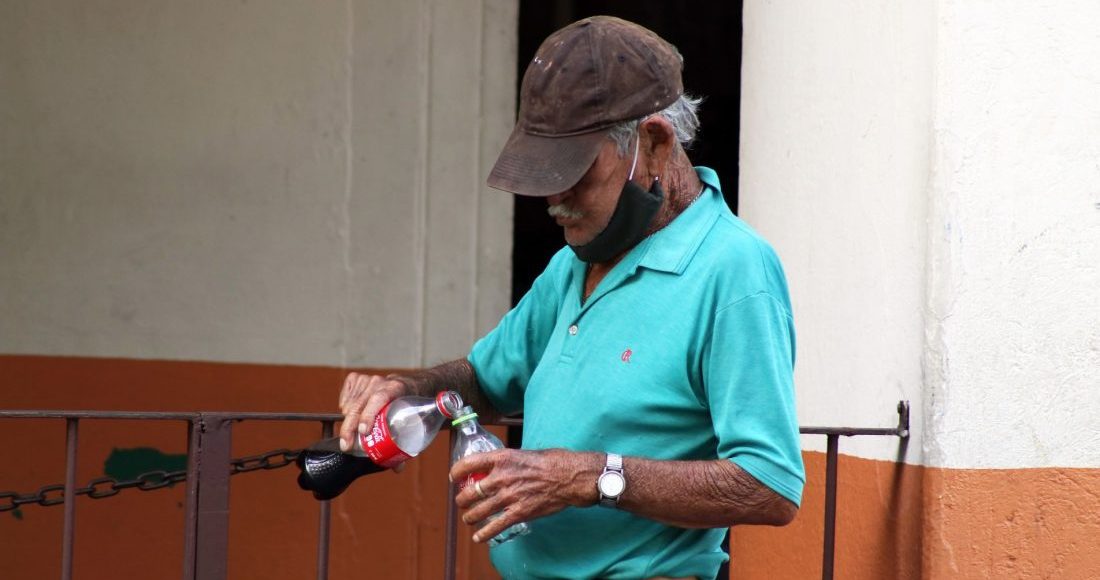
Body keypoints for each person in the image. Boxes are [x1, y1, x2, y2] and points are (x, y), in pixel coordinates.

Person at [338, 16, 803, 579]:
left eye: (576, 174)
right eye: (543, 175)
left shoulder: (734, 270)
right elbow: (484, 382)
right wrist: (407, 390)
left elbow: (769, 485)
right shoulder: (575, 262)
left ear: (654, 145)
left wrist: (591, 477)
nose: (554, 200)